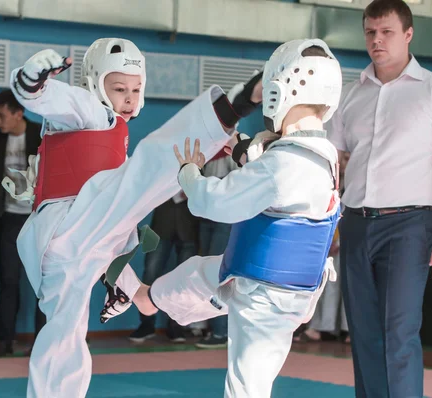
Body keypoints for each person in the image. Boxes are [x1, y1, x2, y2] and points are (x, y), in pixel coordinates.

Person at [3, 38, 259, 398]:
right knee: (146, 172)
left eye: (136, 89)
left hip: (70, 251)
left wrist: (232, 146)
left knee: (64, 337)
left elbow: (106, 227)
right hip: (71, 223)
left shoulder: (109, 133)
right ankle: (232, 105)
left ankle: (157, 295)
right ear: (95, 83)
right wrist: (31, 82)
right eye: (119, 88)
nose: (129, 97)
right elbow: (44, 97)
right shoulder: (90, 109)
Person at [110, 38, 343, 398]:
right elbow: (275, 167)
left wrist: (190, 173)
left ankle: (148, 298)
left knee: (246, 388)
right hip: (262, 281)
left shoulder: (283, 165)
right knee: (196, 274)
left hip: (268, 299)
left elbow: (213, 203)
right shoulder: (321, 156)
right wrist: (240, 149)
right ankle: (147, 298)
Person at [328, 1, 432, 396]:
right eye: (370, 32)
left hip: (408, 226)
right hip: (355, 222)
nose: (376, 40)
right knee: (363, 333)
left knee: (399, 332)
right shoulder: (349, 95)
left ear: (408, 34)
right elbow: (333, 162)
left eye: (386, 32)